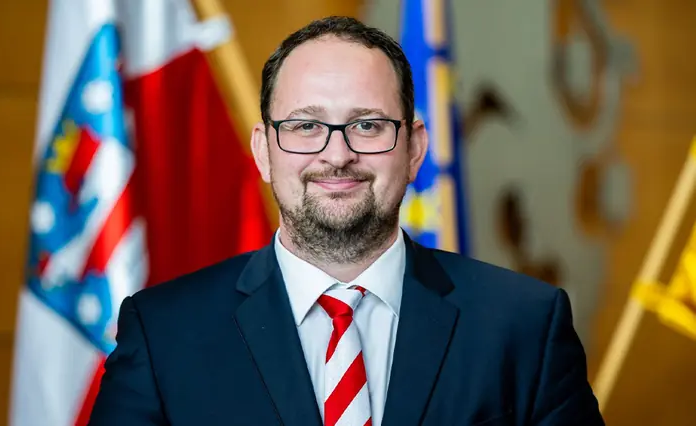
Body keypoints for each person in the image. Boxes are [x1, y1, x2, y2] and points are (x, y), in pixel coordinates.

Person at [89, 15, 604, 426]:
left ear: (415, 149)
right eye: (305, 126)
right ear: (263, 151)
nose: (337, 155)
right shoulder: (163, 334)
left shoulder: (525, 325)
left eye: (368, 125)